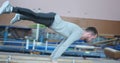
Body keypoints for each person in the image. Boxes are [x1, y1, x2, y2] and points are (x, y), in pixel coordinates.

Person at [0, 1, 98, 63]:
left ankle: (20, 16)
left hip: (52, 22)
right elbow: (65, 45)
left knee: (35, 18)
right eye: (92, 38)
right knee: (35, 16)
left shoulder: (78, 33)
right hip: (53, 19)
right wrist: (55, 59)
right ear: (90, 34)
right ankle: (11, 8)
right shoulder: (78, 33)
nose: (91, 40)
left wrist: (52, 56)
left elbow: (62, 44)